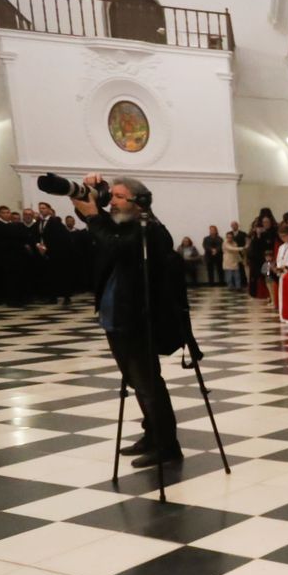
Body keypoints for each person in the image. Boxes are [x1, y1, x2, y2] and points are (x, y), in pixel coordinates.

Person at [69, 174, 187, 468]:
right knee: (136, 382)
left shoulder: (151, 231)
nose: (113, 202)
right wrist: (87, 201)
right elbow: (105, 232)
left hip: (136, 318)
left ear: (140, 202)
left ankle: (167, 445)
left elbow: (115, 246)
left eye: (119, 197)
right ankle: (152, 435)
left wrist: (94, 216)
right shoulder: (123, 226)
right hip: (115, 316)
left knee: (148, 383)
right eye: (113, 196)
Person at [247, 209, 276, 300]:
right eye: (264, 222)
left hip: (271, 258)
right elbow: (255, 247)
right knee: (264, 278)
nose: (265, 224)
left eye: (267, 222)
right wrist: (258, 235)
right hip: (260, 258)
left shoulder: (274, 232)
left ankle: (272, 296)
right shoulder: (258, 233)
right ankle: (268, 295)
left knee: (270, 278)